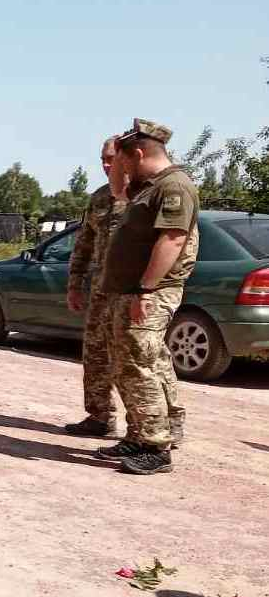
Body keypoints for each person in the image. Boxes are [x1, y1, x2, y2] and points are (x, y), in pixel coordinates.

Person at [97, 119, 198, 475]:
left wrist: (146, 288)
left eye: (124, 161)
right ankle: (138, 435)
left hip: (150, 292)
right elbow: (118, 192)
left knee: (140, 365)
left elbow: (172, 239)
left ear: (139, 154)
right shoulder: (147, 187)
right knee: (125, 366)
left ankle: (156, 447)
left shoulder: (174, 186)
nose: (120, 168)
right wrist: (118, 160)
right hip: (127, 291)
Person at [64, 137, 127, 438]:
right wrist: (75, 284)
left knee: (142, 357)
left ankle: (164, 423)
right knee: (95, 353)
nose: (105, 164)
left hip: (132, 291)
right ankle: (100, 416)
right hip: (101, 290)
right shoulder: (100, 198)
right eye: (102, 158)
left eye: (111, 158)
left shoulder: (146, 195)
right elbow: (84, 245)